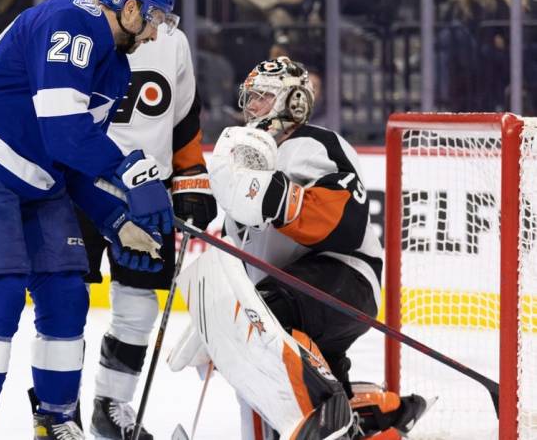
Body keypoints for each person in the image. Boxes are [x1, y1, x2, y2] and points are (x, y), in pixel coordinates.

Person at [0, 0, 180, 438]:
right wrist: (136, 173)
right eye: (156, 18)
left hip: (40, 175)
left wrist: (117, 222)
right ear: (131, 7)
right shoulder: (71, 19)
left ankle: (56, 421)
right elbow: (64, 130)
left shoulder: (117, 68)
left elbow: (74, 159)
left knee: (66, 295)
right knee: (1, 291)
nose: (156, 33)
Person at [169, 57, 427, 439]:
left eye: (262, 97)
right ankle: (380, 417)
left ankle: (333, 423)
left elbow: (348, 220)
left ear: (294, 102)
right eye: (249, 97)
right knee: (257, 370)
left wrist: (278, 198)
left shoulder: (316, 143)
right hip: (292, 304)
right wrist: (216, 324)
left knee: (262, 325)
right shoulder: (244, 164)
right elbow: (238, 261)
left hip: (344, 281)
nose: (250, 107)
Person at [75, 24, 217, 439]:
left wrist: (191, 176)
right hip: (78, 187)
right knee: (64, 303)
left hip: (148, 196)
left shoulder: (172, 40)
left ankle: (110, 406)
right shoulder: (79, 26)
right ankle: (58, 410)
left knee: (138, 310)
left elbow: (184, 120)